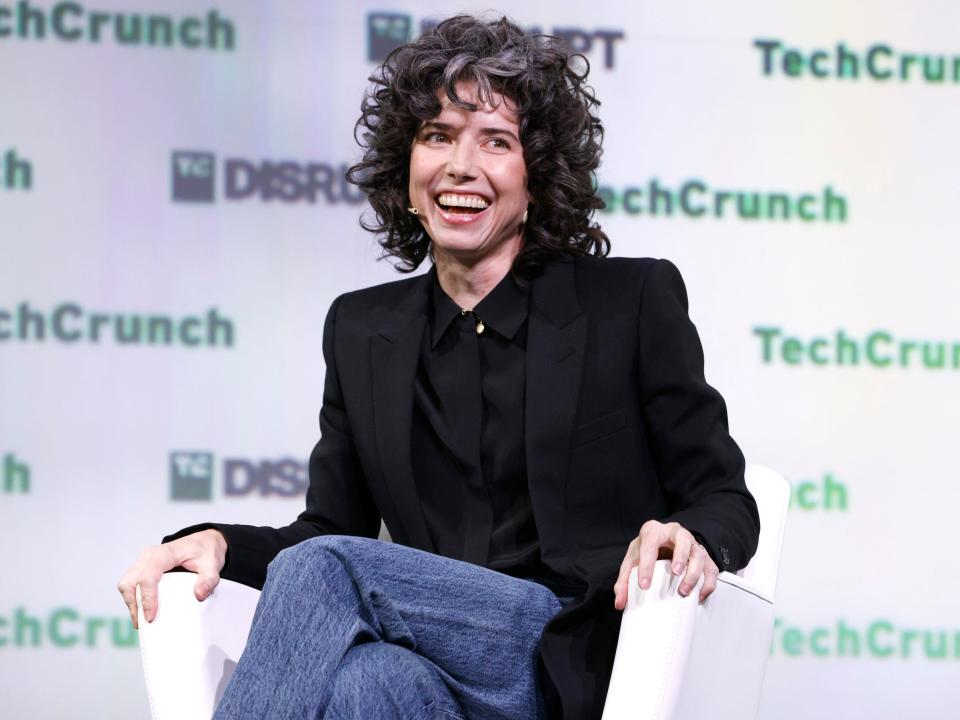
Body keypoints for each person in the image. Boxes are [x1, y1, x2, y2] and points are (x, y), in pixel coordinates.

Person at [118, 15, 759, 720]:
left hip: (564, 650)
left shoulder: (627, 303)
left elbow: (725, 497)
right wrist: (213, 541)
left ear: (538, 175)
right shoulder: (363, 329)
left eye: (496, 141)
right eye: (438, 136)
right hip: (431, 666)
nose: (461, 166)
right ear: (408, 166)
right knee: (368, 680)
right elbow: (332, 526)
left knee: (327, 573)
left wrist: (688, 536)